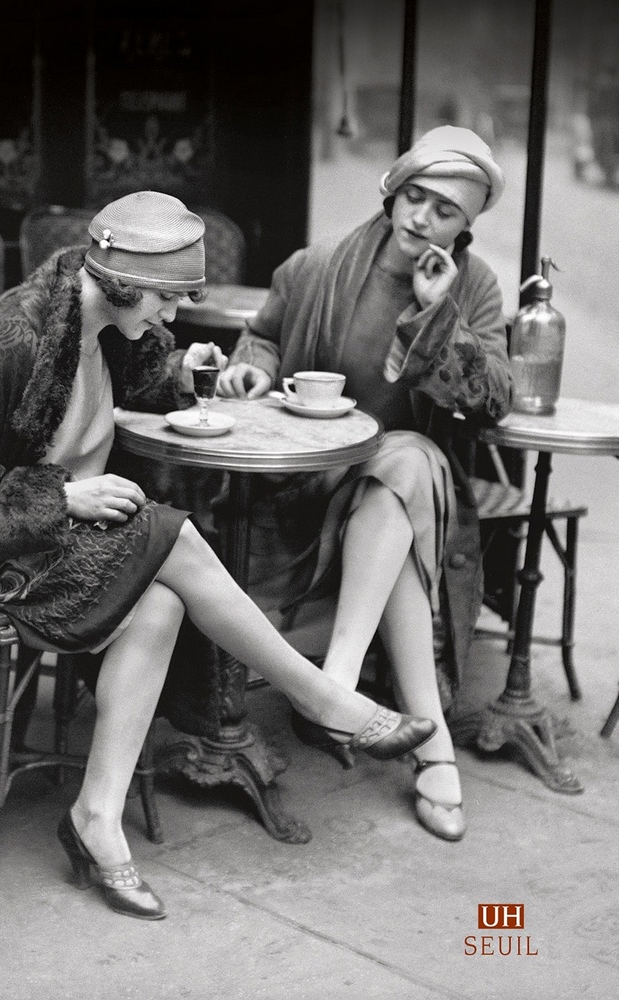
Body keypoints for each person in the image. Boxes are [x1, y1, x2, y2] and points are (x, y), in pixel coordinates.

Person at [0, 190, 437, 920]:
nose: (171, 316)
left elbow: (134, 381)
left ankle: (95, 819)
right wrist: (61, 498)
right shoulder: (14, 335)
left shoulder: (101, 317)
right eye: (166, 300)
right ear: (120, 279)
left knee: (164, 598)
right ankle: (319, 695)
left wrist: (184, 369)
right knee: (172, 532)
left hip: (62, 539)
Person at [218, 127, 513, 842]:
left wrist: (439, 313)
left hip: (406, 483)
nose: (421, 218)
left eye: (444, 210)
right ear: (391, 190)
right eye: (414, 197)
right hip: (309, 486)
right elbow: (260, 336)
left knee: (406, 457)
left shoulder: (472, 286)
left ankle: (336, 681)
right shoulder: (315, 266)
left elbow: (493, 400)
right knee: (399, 518)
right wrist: (250, 367)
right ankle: (432, 746)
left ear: (465, 225)